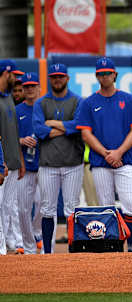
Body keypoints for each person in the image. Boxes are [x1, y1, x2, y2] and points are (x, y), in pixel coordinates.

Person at [77, 57, 132, 252]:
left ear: (115, 74)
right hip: (100, 161)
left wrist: (118, 152)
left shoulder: (128, 99)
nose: (105, 76)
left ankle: (131, 246)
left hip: (126, 160)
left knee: (131, 205)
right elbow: (86, 133)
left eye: (108, 73)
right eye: (101, 73)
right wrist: (107, 153)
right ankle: (111, 248)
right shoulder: (89, 102)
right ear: (96, 76)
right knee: (105, 207)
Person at [33, 63, 84, 254]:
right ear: (50, 79)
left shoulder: (78, 101)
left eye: (60, 76)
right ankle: (48, 252)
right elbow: (39, 130)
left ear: (67, 78)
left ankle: (73, 250)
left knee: (71, 209)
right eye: (54, 76)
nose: (57, 79)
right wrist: (65, 128)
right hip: (48, 164)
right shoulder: (41, 103)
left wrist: (53, 124)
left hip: (73, 163)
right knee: (47, 210)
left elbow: (78, 126)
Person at [0, 59, 26, 255]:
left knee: (8, 207)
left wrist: (20, 160)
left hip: (13, 162)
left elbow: (13, 133)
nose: (16, 79)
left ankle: (7, 244)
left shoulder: (8, 98)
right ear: (5, 74)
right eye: (13, 75)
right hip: (2, 163)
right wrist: (1, 163)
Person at [16, 72, 42, 254]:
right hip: (24, 165)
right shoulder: (17, 110)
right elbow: (7, 136)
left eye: (33, 86)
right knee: (23, 209)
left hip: (44, 164)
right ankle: (28, 245)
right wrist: (21, 140)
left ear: (39, 88)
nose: (30, 89)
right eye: (26, 87)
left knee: (43, 205)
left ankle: (38, 232)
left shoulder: (45, 107)